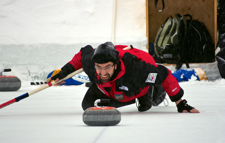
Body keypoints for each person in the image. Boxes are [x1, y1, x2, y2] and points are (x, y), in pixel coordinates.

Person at [48, 42, 199, 113]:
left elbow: (164, 73)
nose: (103, 72)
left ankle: (146, 94)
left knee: (137, 101)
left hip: (135, 82)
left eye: (107, 67)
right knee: (87, 106)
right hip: (110, 88)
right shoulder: (92, 63)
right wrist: (63, 72)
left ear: (115, 65)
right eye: (99, 67)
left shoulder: (138, 70)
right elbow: (82, 54)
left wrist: (180, 102)